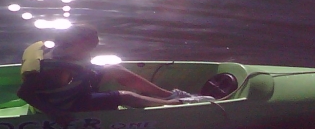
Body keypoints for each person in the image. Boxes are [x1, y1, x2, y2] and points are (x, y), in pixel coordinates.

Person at [17, 24, 213, 126]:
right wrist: (55, 113)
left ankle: (168, 95)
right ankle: (177, 106)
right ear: (78, 42)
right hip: (66, 104)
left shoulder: (72, 52)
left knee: (114, 69)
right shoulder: (56, 68)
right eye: (92, 43)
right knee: (126, 96)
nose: (96, 45)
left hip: (75, 88)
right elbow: (24, 93)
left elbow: (83, 69)